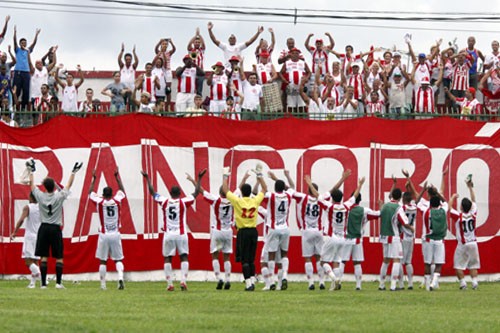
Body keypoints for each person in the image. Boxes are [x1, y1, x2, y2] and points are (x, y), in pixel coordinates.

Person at [141, 169, 205, 291]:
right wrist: (199, 178)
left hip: (168, 234)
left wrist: (147, 178)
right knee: (184, 256)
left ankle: (170, 284)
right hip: (181, 234)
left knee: (167, 258)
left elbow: (152, 192)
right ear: (180, 193)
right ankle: (183, 281)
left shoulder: (164, 201)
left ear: (170, 193)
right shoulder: (184, 202)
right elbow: (196, 192)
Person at [30, 160, 83, 288]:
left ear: (44, 186)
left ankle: (43, 284)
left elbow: (31, 186)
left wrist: (32, 171)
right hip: (55, 228)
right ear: (54, 187)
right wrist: (73, 172)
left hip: (44, 227)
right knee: (59, 256)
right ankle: (58, 283)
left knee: (43, 256)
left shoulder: (40, 196)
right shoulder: (59, 196)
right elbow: (68, 186)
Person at [187, 171, 237, 290]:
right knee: (227, 257)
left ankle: (219, 278)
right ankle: (228, 279)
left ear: (220, 193)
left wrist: (192, 180)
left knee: (215, 255)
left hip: (217, 231)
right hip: (228, 231)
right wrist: (243, 178)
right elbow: (240, 188)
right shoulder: (233, 199)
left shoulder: (215, 200)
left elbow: (201, 190)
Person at [222, 166, 267, 291]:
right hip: (254, 231)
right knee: (251, 259)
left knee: (244, 260)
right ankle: (252, 281)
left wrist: (225, 176)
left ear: (241, 192)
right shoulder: (255, 200)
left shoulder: (238, 201)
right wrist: (259, 175)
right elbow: (264, 188)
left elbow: (225, 190)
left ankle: (248, 284)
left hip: (243, 232)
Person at [318, 170, 359, 291]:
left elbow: (318, 197)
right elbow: (354, 197)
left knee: (323, 262)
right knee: (336, 260)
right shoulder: (346, 206)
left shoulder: (329, 206)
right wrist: (360, 185)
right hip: (342, 238)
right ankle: (338, 281)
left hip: (331, 237)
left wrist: (309, 184)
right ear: (341, 198)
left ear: (332, 198)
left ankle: (334, 279)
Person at [89, 168, 126, 290]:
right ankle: (120, 277)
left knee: (103, 260)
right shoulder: (117, 200)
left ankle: (103, 285)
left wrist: (94, 179)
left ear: (103, 195)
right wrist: (117, 177)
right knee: (118, 259)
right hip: (115, 233)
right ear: (112, 194)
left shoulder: (100, 202)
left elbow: (90, 193)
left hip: (104, 234)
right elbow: (122, 191)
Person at [340, 178, 380, 290]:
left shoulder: (346, 208)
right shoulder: (365, 211)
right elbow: (378, 214)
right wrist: (381, 206)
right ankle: (358, 285)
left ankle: (338, 282)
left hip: (346, 238)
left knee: (342, 261)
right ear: (360, 200)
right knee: (357, 263)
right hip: (358, 239)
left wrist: (360, 185)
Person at [262, 170, 296, 290]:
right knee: (284, 255)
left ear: (275, 188)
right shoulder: (288, 195)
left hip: (274, 228)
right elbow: (292, 187)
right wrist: (278, 178)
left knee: (271, 256)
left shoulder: (271, 196)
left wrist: (261, 176)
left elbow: (260, 192)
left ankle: (271, 281)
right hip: (285, 228)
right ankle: (284, 277)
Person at [378, 187, 414, 291]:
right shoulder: (398, 208)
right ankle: (393, 285)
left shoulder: (385, 206)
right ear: (400, 197)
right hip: (394, 236)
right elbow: (404, 222)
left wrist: (380, 206)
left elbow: (381, 214)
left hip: (384, 236)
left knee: (385, 260)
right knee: (397, 260)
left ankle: (381, 284)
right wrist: (412, 228)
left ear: (392, 195)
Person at [295, 175, 327, 290]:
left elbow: (290, 192)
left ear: (308, 190)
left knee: (308, 258)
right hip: (318, 231)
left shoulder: (303, 198)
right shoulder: (322, 199)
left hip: (307, 231)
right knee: (319, 257)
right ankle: (322, 281)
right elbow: (333, 190)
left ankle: (311, 283)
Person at [449, 176, 480, 290]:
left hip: (463, 244)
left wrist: (452, 197)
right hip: (473, 243)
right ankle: (475, 282)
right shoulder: (473, 214)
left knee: (458, 265)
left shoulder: (458, 216)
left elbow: (449, 208)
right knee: (473, 264)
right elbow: (474, 201)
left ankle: (463, 283)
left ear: (461, 207)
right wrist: (470, 187)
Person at [10, 192, 41, 288]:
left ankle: (42, 277)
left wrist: (15, 232)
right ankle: (33, 283)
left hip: (30, 236)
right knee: (35, 260)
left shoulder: (28, 207)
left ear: (31, 197)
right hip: (39, 236)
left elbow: (21, 219)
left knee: (28, 261)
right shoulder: (41, 207)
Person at [12, 25, 41, 110]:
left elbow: (34, 44)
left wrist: (36, 35)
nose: (24, 44)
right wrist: (15, 33)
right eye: (22, 43)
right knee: (16, 90)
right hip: (18, 72)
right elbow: (14, 41)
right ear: (20, 44)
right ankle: (14, 107)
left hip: (26, 73)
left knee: (26, 91)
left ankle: (24, 108)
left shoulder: (27, 50)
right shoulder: (17, 50)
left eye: (25, 43)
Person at [279, 48, 311, 114]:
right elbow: (280, 72)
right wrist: (284, 80)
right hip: (291, 86)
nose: (295, 55)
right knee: (291, 105)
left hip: (301, 87)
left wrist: (306, 78)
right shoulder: (287, 63)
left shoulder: (302, 63)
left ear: (299, 54)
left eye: (297, 53)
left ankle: (302, 120)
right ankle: (290, 120)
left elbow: (309, 72)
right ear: (290, 54)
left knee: (301, 105)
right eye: (293, 53)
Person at [154, 38, 176, 110]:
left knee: (168, 89)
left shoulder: (168, 52)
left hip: (168, 71)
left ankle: (168, 107)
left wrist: (171, 42)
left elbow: (174, 49)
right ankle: (158, 105)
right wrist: (159, 42)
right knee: (160, 87)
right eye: (163, 44)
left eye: (166, 44)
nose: (164, 45)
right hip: (161, 70)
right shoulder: (158, 52)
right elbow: (155, 48)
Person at [118, 43, 139, 111]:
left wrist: (134, 53)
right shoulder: (122, 66)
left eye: (129, 59)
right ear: (125, 60)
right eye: (127, 59)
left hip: (131, 90)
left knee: (132, 106)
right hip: (123, 90)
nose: (128, 61)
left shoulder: (133, 67)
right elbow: (118, 59)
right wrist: (122, 51)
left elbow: (137, 61)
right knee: (122, 106)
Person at [187, 28, 206, 95]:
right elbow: (189, 44)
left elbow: (203, 44)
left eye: (198, 42)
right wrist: (195, 35)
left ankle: (199, 103)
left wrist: (199, 35)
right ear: (193, 43)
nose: (197, 43)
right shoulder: (191, 50)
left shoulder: (201, 50)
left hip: (200, 71)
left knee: (199, 90)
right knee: (192, 89)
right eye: (196, 42)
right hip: (192, 71)